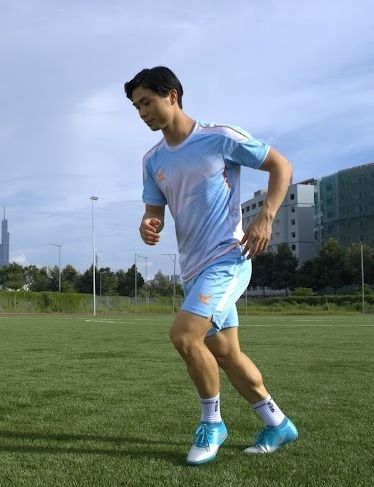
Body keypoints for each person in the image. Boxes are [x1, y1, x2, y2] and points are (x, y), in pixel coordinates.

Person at [124, 66, 299, 465]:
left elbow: (281, 166)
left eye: (147, 103)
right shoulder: (152, 160)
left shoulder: (219, 137)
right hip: (192, 269)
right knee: (226, 353)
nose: (142, 113)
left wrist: (266, 216)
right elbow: (154, 210)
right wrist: (149, 224)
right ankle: (277, 423)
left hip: (228, 258)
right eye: (136, 107)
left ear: (172, 96)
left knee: (185, 337)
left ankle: (212, 423)